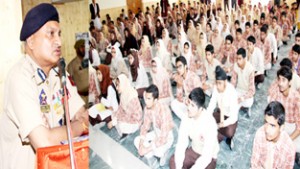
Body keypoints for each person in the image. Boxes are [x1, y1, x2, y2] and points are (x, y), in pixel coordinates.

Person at [0, 4, 88, 168]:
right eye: (51, 34)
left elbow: (84, 115)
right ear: (31, 41)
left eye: (59, 34)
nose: (59, 42)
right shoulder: (20, 77)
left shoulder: (59, 73)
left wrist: (72, 126)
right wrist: (79, 126)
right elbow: (45, 142)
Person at [169, 87, 219, 169]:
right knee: (173, 162)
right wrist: (178, 167)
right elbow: (181, 143)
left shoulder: (210, 123)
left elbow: (206, 157)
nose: (188, 108)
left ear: (201, 109)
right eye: (188, 103)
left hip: (208, 157)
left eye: (192, 105)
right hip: (194, 150)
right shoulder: (186, 116)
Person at [134, 84, 174, 166]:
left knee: (158, 151)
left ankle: (156, 151)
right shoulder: (147, 108)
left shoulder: (163, 110)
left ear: (155, 100)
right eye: (145, 98)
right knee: (137, 140)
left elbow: (163, 137)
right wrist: (141, 144)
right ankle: (151, 151)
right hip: (156, 133)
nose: (146, 101)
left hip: (166, 136)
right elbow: (145, 127)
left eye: (148, 99)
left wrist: (146, 149)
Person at [251, 101, 296, 169]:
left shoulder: (289, 148)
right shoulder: (260, 134)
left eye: (272, 126)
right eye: (266, 122)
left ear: (281, 127)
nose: (267, 130)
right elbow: (254, 163)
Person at [268, 66, 300, 152]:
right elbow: (270, 98)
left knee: (286, 147)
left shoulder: (296, 97)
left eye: (284, 80)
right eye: (279, 79)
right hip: (281, 122)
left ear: (289, 82)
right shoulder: (277, 90)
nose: (280, 83)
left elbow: (299, 127)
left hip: (293, 126)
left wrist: (287, 140)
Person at [207, 66, 239, 149]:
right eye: (216, 83)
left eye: (220, 83)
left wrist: (221, 124)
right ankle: (221, 136)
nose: (217, 86)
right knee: (208, 120)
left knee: (229, 132)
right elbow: (212, 104)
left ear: (225, 82)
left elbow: (234, 117)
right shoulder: (216, 88)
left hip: (229, 118)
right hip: (220, 113)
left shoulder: (232, 92)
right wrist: (206, 117)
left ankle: (221, 135)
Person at [231, 48, 255, 116]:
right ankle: (239, 105)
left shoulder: (250, 69)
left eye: (239, 59)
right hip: (238, 90)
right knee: (230, 98)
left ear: (244, 59)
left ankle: (241, 106)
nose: (238, 61)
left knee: (248, 102)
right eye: (237, 59)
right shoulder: (236, 65)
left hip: (246, 94)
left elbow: (252, 91)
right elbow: (233, 82)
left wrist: (242, 98)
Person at [67, 39, 89, 106]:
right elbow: (69, 83)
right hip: (81, 98)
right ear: (76, 49)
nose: (84, 49)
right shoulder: (72, 65)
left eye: (84, 47)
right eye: (81, 47)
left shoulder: (88, 61)